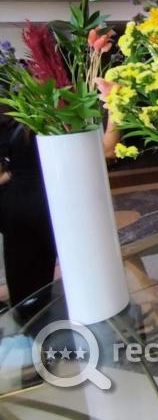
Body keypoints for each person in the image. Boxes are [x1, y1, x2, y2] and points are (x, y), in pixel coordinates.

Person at [0, 110, 56, 311]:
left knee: (24, 274)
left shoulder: (12, 123)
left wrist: (9, 174)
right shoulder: (48, 118)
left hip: (18, 203)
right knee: (40, 269)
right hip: (47, 199)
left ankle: (29, 317)